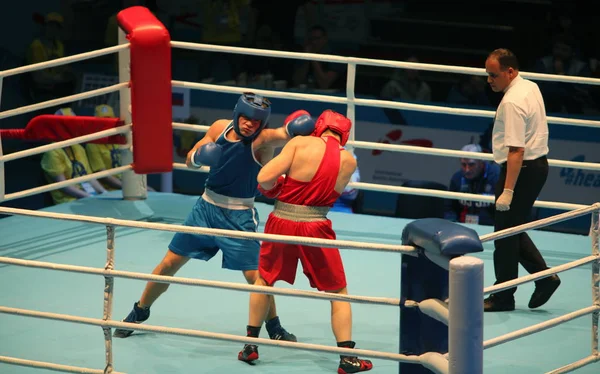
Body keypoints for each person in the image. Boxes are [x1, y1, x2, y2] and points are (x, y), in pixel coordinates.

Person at [113, 93, 316, 340]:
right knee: (168, 264)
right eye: (246, 118)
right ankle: (139, 311)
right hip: (205, 209)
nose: (250, 124)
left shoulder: (262, 140)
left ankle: (274, 327)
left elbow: (283, 134)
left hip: (238, 216)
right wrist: (199, 157)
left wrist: (295, 129)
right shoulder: (219, 128)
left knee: (256, 278)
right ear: (237, 114)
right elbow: (189, 159)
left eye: (256, 121)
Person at [238, 110, 373, 373]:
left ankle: (249, 346)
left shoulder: (299, 143)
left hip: (281, 220)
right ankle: (347, 358)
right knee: (338, 291)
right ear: (343, 134)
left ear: (319, 127)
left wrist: (279, 186)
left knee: (264, 280)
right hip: (315, 225)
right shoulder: (348, 161)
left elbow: (263, 179)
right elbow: (330, 197)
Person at [483, 49, 560, 312]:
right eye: (487, 75)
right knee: (511, 229)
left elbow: (516, 151)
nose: (489, 80)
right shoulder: (530, 86)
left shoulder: (512, 102)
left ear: (510, 72)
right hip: (535, 168)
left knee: (505, 235)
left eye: (493, 75)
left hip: (521, 170)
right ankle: (545, 277)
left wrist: (507, 190)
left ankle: (504, 297)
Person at [40, 108, 107, 205]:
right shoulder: (52, 152)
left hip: (88, 196)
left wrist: (103, 193)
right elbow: (64, 186)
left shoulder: (78, 147)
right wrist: (90, 197)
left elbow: (89, 177)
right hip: (68, 202)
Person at [444, 144, 500, 226]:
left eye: (471, 165)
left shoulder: (496, 176)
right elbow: (449, 208)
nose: (467, 170)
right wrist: (452, 225)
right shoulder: (457, 178)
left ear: (481, 162)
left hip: (491, 227)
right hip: (463, 227)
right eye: (463, 165)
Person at [85, 104, 123, 191]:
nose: (106, 124)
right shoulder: (92, 144)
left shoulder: (118, 139)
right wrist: (128, 187)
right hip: (112, 190)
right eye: (102, 121)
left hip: (127, 184)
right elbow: (104, 176)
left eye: (109, 121)